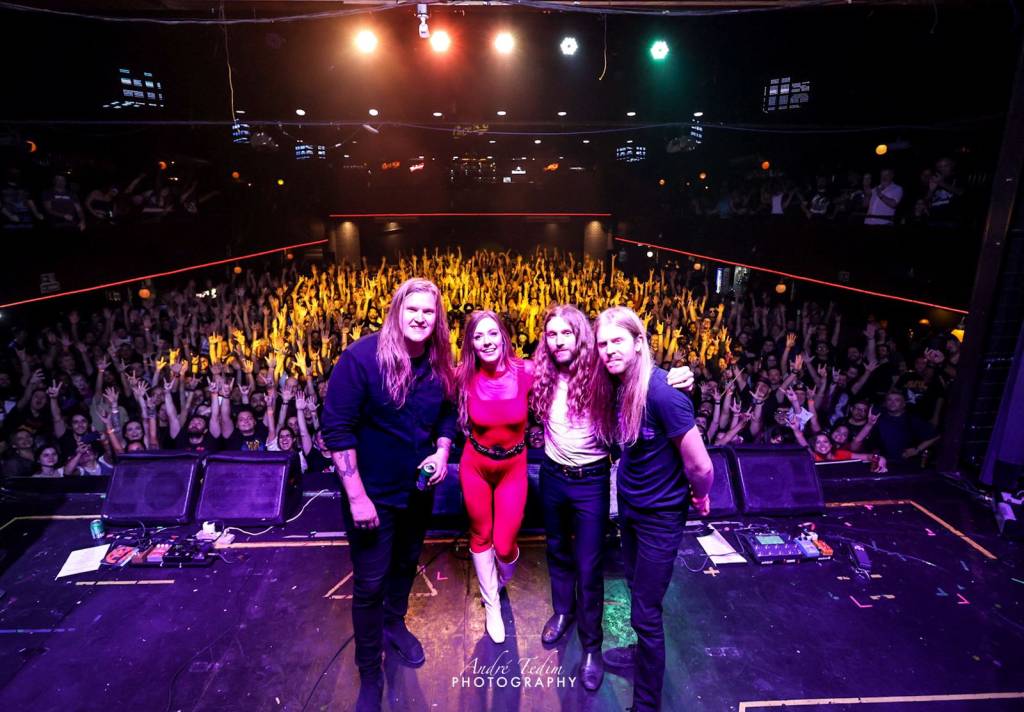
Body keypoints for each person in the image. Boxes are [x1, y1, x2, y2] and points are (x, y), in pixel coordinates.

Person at [530, 304, 695, 692]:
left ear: (581, 337)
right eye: (551, 335)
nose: (558, 342)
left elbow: (645, 378)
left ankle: (592, 648)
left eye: (566, 334)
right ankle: (562, 612)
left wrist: (685, 379)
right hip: (552, 475)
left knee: (589, 567)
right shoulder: (537, 371)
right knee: (555, 550)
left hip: (591, 480)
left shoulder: (602, 373)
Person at [321, 278, 456, 712]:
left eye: (428, 312)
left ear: (437, 319)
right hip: (372, 497)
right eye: (412, 309)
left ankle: (395, 625)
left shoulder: (438, 363)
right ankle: (369, 672)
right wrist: (357, 497)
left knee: (404, 566)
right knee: (369, 584)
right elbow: (336, 429)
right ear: (397, 310)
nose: (420, 317)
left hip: (416, 493)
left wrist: (441, 450)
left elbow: (448, 413)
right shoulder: (362, 357)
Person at [593, 306, 713, 712]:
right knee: (633, 586)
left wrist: (701, 496)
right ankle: (640, 651)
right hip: (631, 506)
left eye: (617, 341)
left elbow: (701, 466)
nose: (608, 350)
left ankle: (647, 705)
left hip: (660, 516)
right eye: (603, 344)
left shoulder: (664, 393)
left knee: (646, 610)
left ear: (640, 342)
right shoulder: (618, 385)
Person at [456, 309, 531, 645]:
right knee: (480, 534)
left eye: (491, 333)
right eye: (478, 336)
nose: (486, 341)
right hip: (476, 465)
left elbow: (578, 372)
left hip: (513, 467)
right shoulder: (463, 376)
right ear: (471, 343)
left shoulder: (527, 371)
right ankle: (491, 605)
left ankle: (500, 581)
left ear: (503, 335)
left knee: (504, 545)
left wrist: (665, 375)